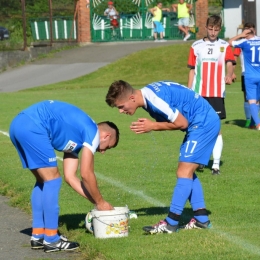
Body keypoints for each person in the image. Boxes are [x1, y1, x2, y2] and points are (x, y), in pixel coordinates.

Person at [105, 80, 220, 234]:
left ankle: (170, 223)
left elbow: (182, 123)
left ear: (132, 98)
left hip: (203, 123)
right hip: (200, 121)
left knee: (183, 172)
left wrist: (152, 126)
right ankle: (201, 219)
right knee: (187, 171)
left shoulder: (153, 99)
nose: (120, 111)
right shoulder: (148, 96)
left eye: (121, 106)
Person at [9, 100, 120, 253]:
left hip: (18, 125)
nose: (103, 151)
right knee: (52, 180)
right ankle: (52, 239)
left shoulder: (79, 137)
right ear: (107, 136)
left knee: (43, 181)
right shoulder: (92, 132)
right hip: (34, 126)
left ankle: (38, 235)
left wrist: (98, 202)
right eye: (108, 146)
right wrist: (100, 202)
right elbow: (86, 173)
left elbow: (71, 177)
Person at [187, 15, 235, 175]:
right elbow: (192, 70)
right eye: (210, 29)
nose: (213, 32)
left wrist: (230, 74)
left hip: (216, 93)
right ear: (206, 28)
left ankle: (215, 165)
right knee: (198, 128)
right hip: (199, 94)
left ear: (220, 29)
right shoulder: (196, 46)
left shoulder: (224, 46)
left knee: (216, 129)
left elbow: (229, 63)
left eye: (216, 29)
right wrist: (188, 91)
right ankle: (200, 160)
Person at [229, 22, 260, 130]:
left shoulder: (243, 42)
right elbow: (235, 56)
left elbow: (230, 43)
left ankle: (254, 122)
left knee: (251, 99)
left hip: (249, 74)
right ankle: (250, 121)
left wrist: (241, 35)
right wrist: (232, 72)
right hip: (249, 73)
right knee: (253, 99)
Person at [233, 47, 252, 127]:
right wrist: (232, 72)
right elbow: (234, 57)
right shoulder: (240, 44)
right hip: (246, 73)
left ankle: (255, 120)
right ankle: (248, 120)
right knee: (247, 98)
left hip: (258, 73)